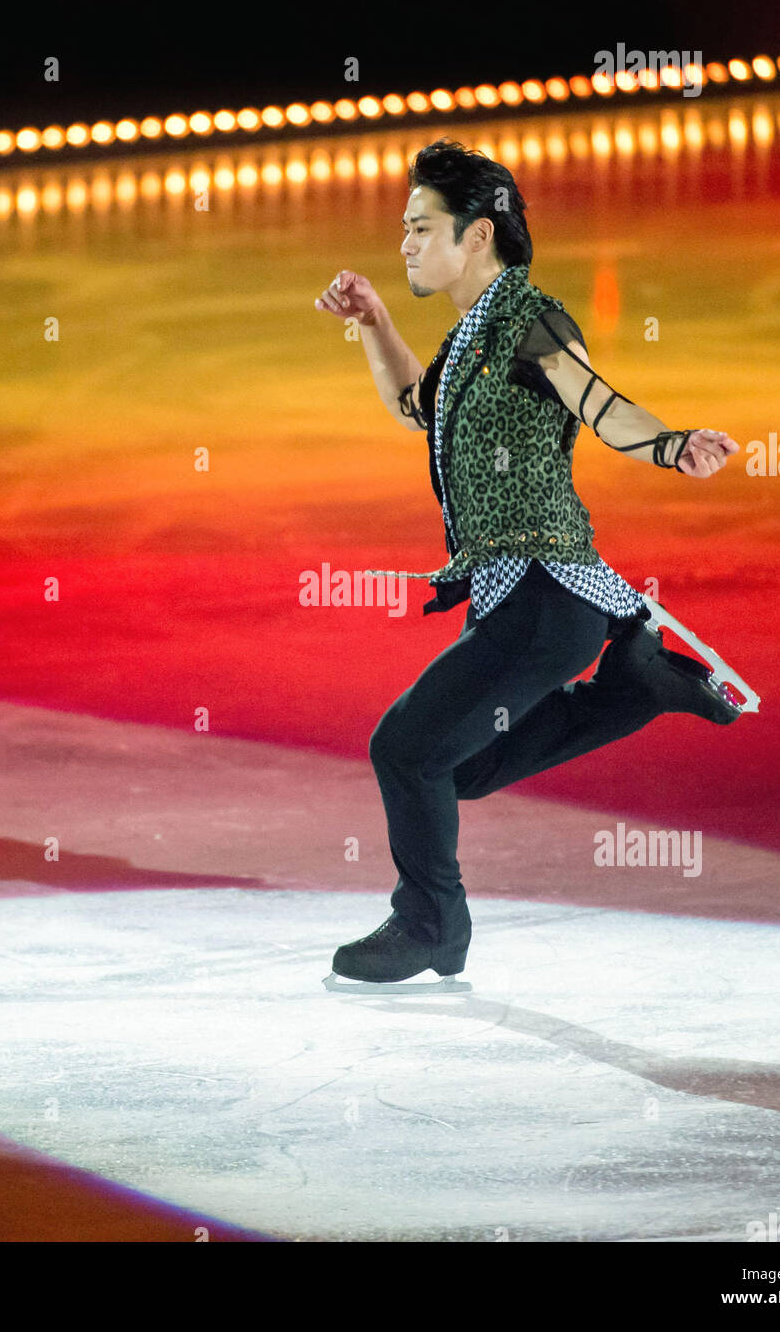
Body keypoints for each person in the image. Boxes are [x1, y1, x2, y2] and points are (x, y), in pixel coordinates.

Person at [313, 138, 744, 987]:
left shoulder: (530, 321)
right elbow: (414, 405)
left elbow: (598, 403)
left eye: (419, 226)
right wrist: (375, 324)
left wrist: (670, 444)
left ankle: (430, 924)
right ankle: (633, 690)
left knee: (404, 748)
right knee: (461, 763)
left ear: (477, 236)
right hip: (514, 595)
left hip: (549, 589)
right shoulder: (474, 339)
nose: (403, 242)